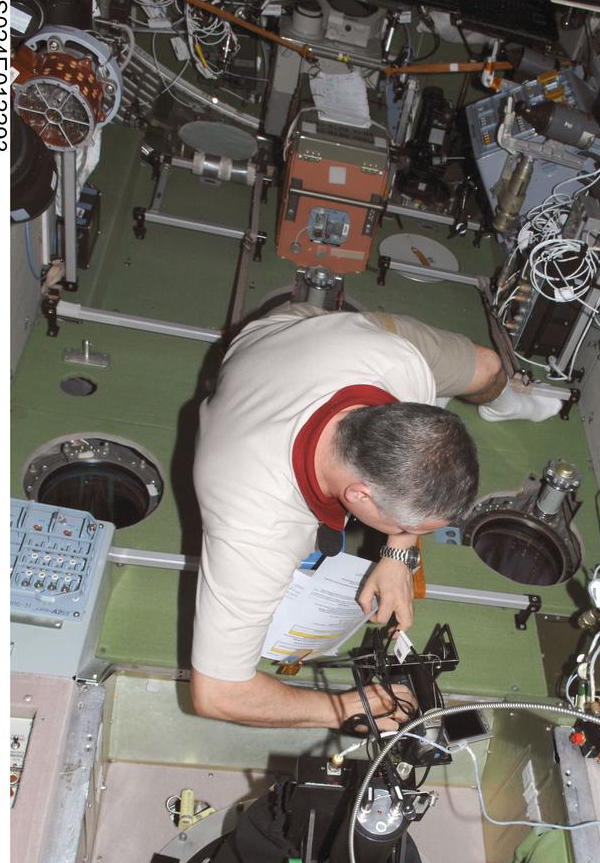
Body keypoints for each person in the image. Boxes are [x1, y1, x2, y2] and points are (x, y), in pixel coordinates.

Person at [190, 304, 561, 730]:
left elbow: (426, 449)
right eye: (408, 528)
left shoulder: (401, 370)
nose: (411, 537)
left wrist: (399, 554)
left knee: (488, 367)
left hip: (334, 346)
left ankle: (504, 402)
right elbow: (217, 693)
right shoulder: (254, 526)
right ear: (359, 496)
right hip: (281, 334)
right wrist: (346, 707)